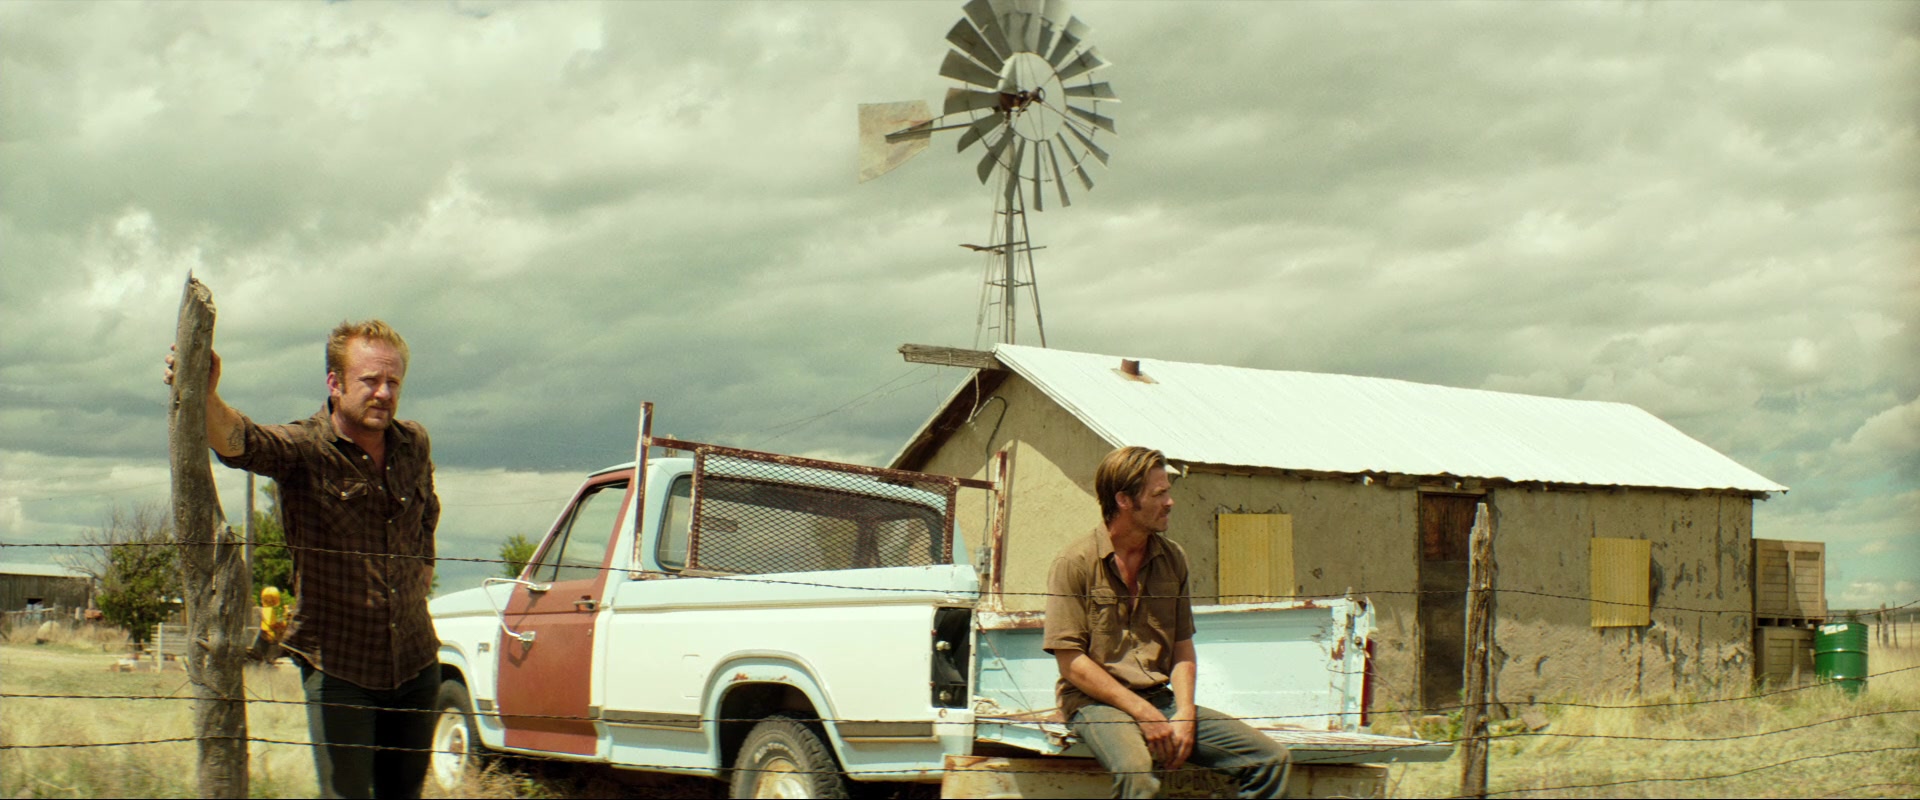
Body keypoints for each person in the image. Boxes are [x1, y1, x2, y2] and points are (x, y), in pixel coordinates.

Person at [165, 320, 441, 799]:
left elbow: (427, 518)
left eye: (393, 382)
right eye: (370, 380)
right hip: (341, 669)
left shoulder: (413, 444)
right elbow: (240, 441)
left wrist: (421, 575)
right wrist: (204, 394)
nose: (383, 393)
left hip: (416, 663)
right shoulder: (305, 449)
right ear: (335, 383)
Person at [1043, 446, 1293, 799]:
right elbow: (1071, 662)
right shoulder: (1075, 562)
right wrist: (1142, 713)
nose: (1170, 502)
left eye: (1168, 492)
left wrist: (1186, 713)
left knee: (1271, 760)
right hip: (1095, 703)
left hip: (1161, 700)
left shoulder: (1172, 558)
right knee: (1137, 774)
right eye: (1159, 494)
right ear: (1124, 500)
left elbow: (1182, 648)